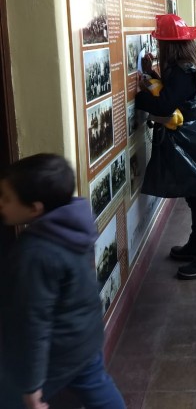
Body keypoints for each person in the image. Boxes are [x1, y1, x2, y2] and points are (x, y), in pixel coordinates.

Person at [0, 153, 126, 409]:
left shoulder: (35, 254)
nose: (1, 203)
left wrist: (31, 385)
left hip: (59, 350)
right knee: (97, 387)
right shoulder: (73, 224)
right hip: (85, 334)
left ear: (35, 208)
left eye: (6, 198)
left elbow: (32, 323)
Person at [135, 14, 196, 279]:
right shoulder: (188, 64)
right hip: (194, 135)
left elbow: (165, 104)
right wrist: (151, 73)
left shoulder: (182, 70)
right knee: (194, 196)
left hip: (190, 139)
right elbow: (175, 93)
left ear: (167, 45)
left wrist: (141, 97)